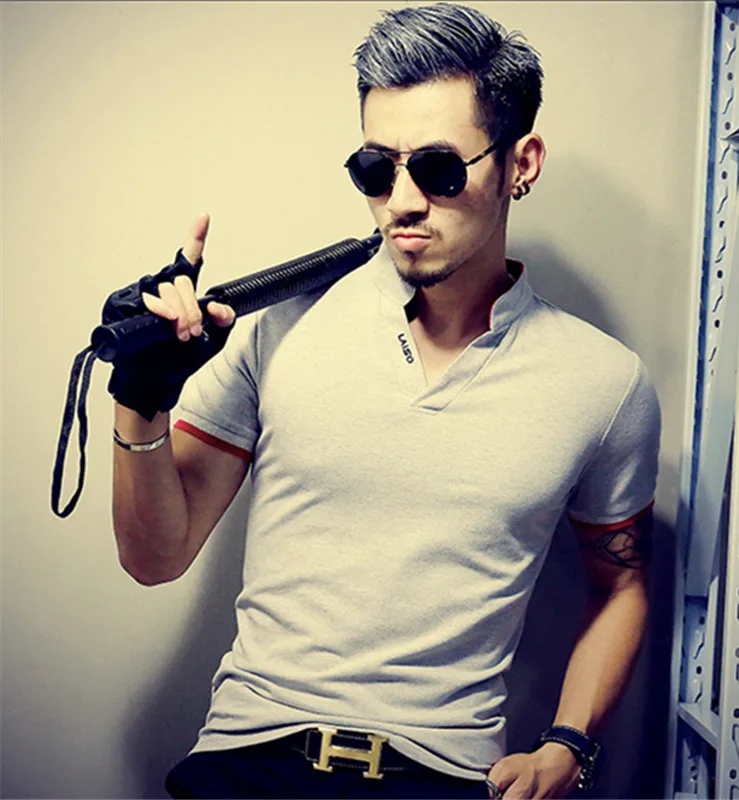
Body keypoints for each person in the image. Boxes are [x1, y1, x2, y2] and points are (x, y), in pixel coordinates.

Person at [108, 4, 661, 798]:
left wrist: (567, 746)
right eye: (376, 169)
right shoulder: (280, 325)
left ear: (522, 162)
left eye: (438, 168)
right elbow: (154, 559)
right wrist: (141, 398)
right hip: (249, 760)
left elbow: (622, 585)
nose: (401, 201)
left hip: (442, 778)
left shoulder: (602, 383)